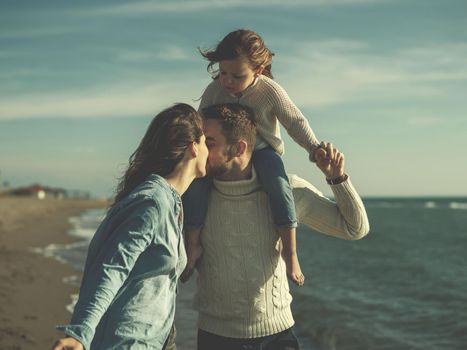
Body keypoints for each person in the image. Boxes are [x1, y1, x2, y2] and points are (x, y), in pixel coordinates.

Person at [191, 103, 369, 350]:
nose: (197, 151)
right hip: (215, 337)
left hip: (277, 337)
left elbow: (354, 228)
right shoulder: (193, 200)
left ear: (239, 147)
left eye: (209, 143)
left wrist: (336, 178)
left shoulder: (288, 193)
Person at [51, 103, 208, 350]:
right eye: (206, 142)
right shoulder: (152, 203)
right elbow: (112, 267)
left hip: (154, 340)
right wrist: (80, 333)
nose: (210, 150)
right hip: (128, 342)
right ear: (194, 148)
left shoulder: (170, 201)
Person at [182, 29, 324, 286]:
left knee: (279, 186)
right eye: (223, 73)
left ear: (258, 70)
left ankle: (290, 254)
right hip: (224, 150)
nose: (227, 81)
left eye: (237, 76)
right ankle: (193, 246)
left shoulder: (270, 91)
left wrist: (314, 148)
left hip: (262, 150)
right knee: (196, 186)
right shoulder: (214, 90)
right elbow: (198, 124)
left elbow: (294, 121)